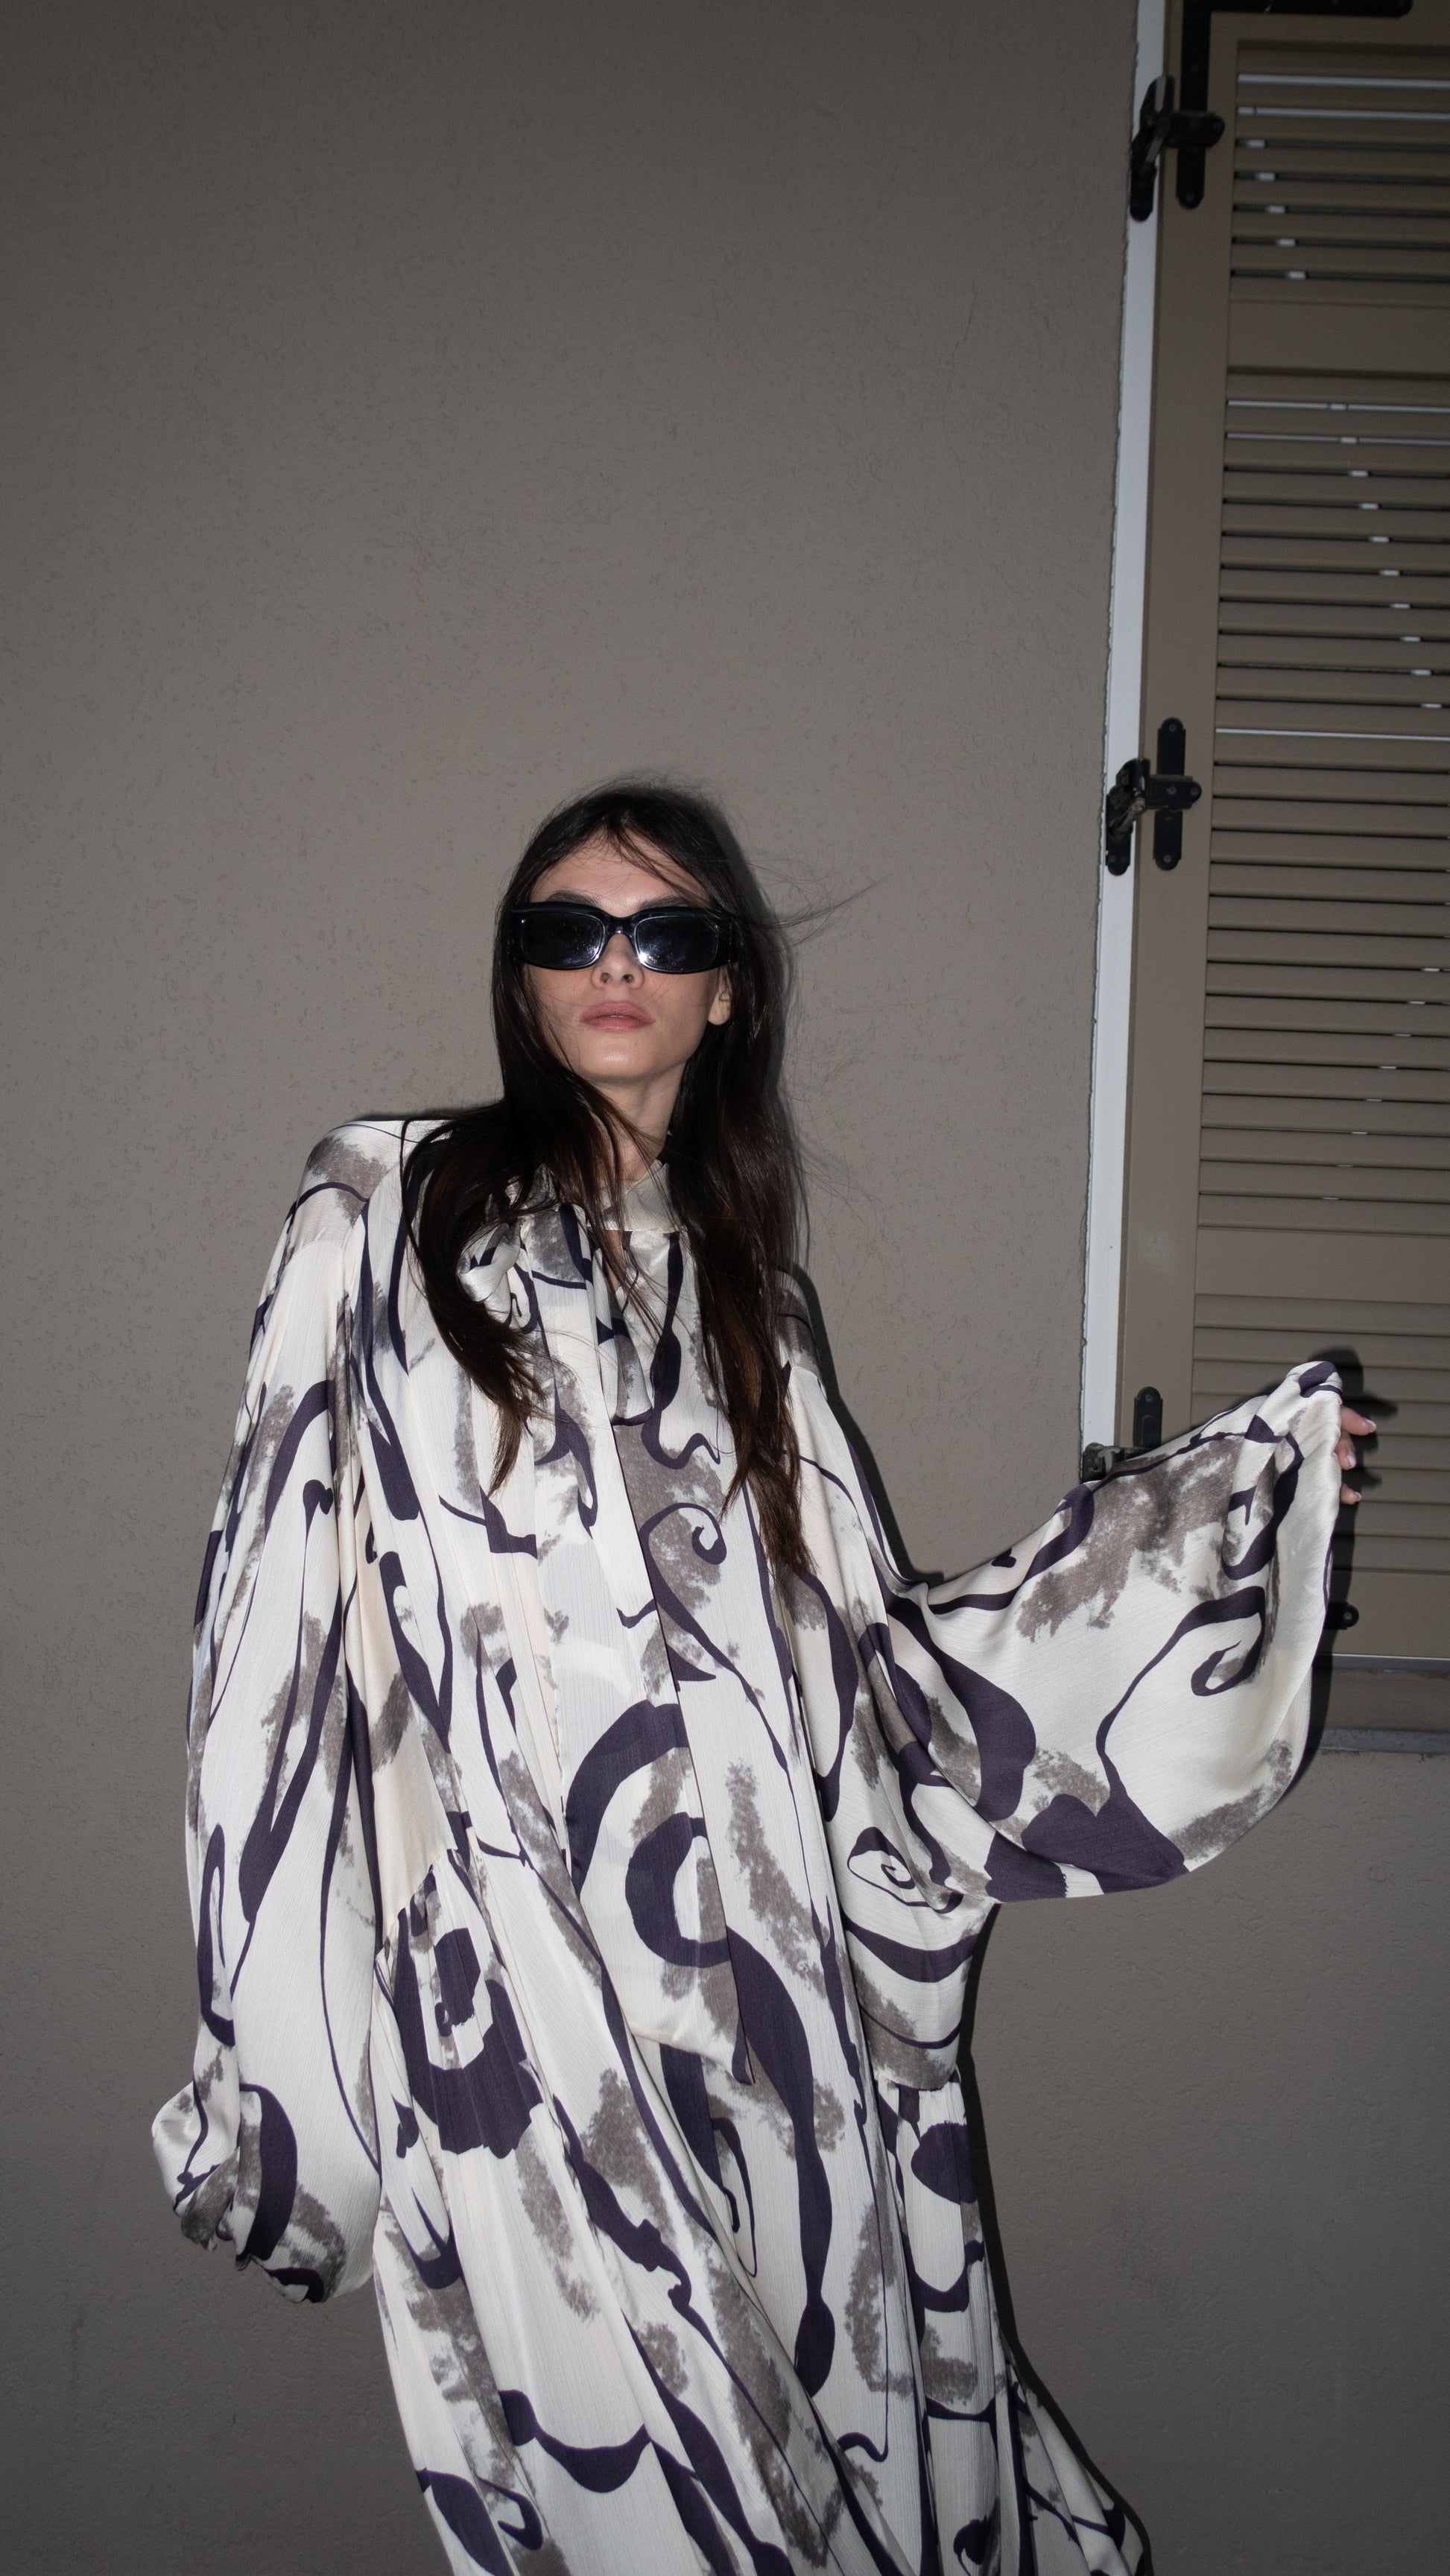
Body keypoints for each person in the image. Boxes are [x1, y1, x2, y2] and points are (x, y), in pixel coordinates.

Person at [154, 784, 1368, 2576]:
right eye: (566, 930)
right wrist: (272, 2017)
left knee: (822, 2454)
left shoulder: (754, 1311)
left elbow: (869, 1679)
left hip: (767, 1987)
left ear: (727, 987)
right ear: (521, 977)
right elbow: (267, 1610)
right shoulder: (380, 1204)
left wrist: (1212, 1518)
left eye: (665, 931)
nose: (614, 963)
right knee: (641, 2504)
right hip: (515, 1987)